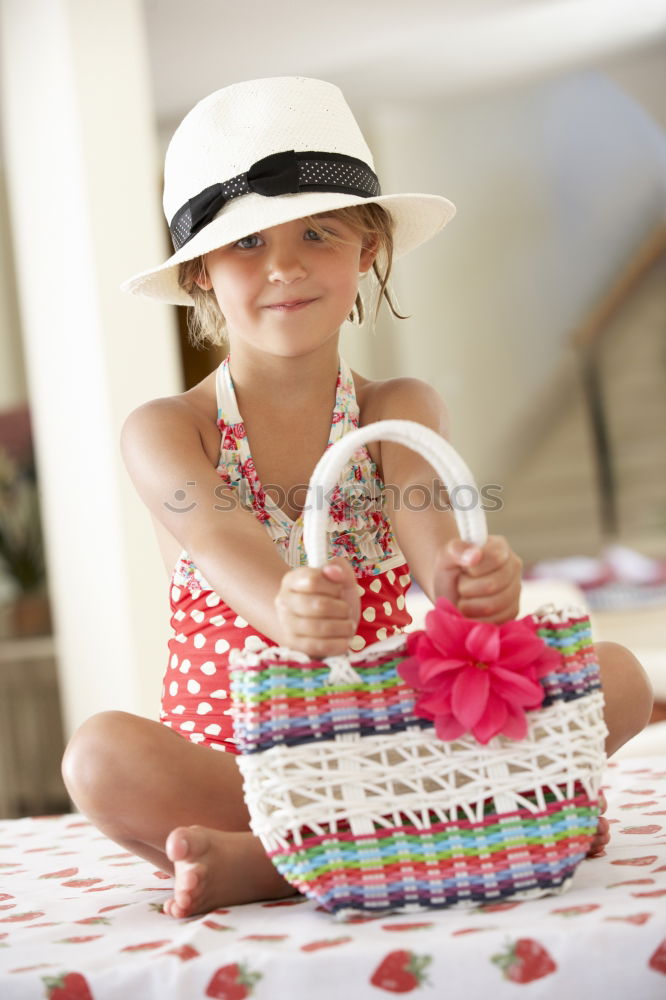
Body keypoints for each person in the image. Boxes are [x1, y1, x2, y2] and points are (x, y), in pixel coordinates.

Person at [61, 77, 653, 919]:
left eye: (318, 232)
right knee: (100, 757)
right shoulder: (166, 429)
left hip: (388, 738)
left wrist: (479, 588)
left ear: (368, 245)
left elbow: (441, 564)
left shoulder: (395, 409)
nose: (286, 266)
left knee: (618, 675)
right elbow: (228, 546)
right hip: (245, 757)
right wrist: (286, 604)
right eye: (246, 244)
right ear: (199, 271)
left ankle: (278, 863)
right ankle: (474, 823)